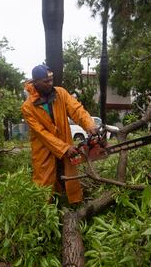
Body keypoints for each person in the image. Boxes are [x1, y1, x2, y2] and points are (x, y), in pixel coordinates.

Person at [21, 64, 98, 204]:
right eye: (46, 81)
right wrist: (64, 148)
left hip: (65, 145)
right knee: (44, 184)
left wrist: (89, 124)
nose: (50, 84)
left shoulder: (60, 93)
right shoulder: (28, 107)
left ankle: (73, 207)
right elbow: (42, 134)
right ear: (36, 82)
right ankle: (42, 214)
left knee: (68, 178)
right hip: (44, 150)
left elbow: (76, 110)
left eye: (51, 80)